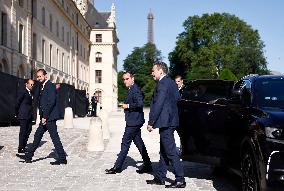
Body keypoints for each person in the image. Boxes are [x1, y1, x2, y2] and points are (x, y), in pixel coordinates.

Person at [146, 62, 186, 188]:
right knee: (164, 150)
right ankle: (160, 177)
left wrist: (151, 122)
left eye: (154, 71)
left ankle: (180, 179)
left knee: (171, 151)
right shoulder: (171, 82)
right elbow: (177, 100)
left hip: (166, 122)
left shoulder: (163, 83)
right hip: (171, 121)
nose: (152, 73)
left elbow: (159, 104)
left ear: (161, 71)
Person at [105, 71, 152, 174]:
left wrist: (128, 106)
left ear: (132, 79)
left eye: (127, 79)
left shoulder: (135, 89)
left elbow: (140, 104)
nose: (125, 81)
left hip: (134, 122)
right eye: (124, 79)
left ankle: (117, 167)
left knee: (125, 143)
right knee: (139, 143)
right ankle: (148, 165)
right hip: (134, 121)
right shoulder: (131, 89)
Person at [22, 69, 67, 165]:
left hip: (49, 117)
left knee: (54, 138)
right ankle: (28, 156)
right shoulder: (43, 86)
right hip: (46, 117)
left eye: (40, 76)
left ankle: (62, 158)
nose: (38, 78)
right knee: (38, 136)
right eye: (37, 77)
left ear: (45, 76)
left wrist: (45, 117)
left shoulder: (49, 85)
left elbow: (51, 102)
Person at [15, 79, 34, 154]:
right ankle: (21, 148)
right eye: (31, 84)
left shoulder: (30, 93)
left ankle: (24, 145)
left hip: (29, 115)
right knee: (23, 132)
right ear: (26, 84)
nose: (32, 86)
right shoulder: (23, 92)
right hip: (23, 115)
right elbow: (17, 103)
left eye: (33, 84)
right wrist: (17, 113)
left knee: (29, 130)